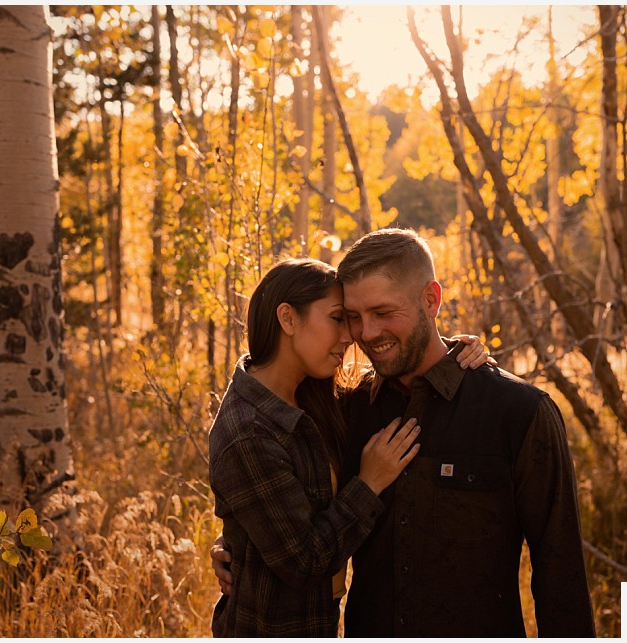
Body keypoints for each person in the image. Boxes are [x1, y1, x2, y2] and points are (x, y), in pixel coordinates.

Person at [214, 229, 596, 637]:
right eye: (353, 317)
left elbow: (562, 576)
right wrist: (234, 542)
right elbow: (289, 507)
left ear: (431, 300)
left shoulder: (519, 413)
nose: (365, 333)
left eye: (382, 312)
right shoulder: (347, 407)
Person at [208, 257, 490, 637]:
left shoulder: (313, 397)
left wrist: (457, 352)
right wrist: (369, 484)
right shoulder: (249, 432)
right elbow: (304, 562)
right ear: (288, 319)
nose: (351, 335)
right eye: (338, 318)